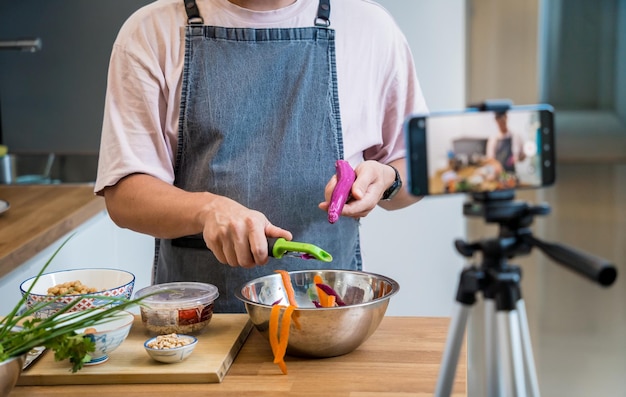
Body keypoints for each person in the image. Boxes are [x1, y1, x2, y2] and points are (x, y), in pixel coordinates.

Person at [95, 0, 428, 313]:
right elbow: (124, 196)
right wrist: (207, 210)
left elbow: (417, 172)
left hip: (328, 319)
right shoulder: (152, 32)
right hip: (197, 324)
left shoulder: (371, 29)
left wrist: (388, 179)